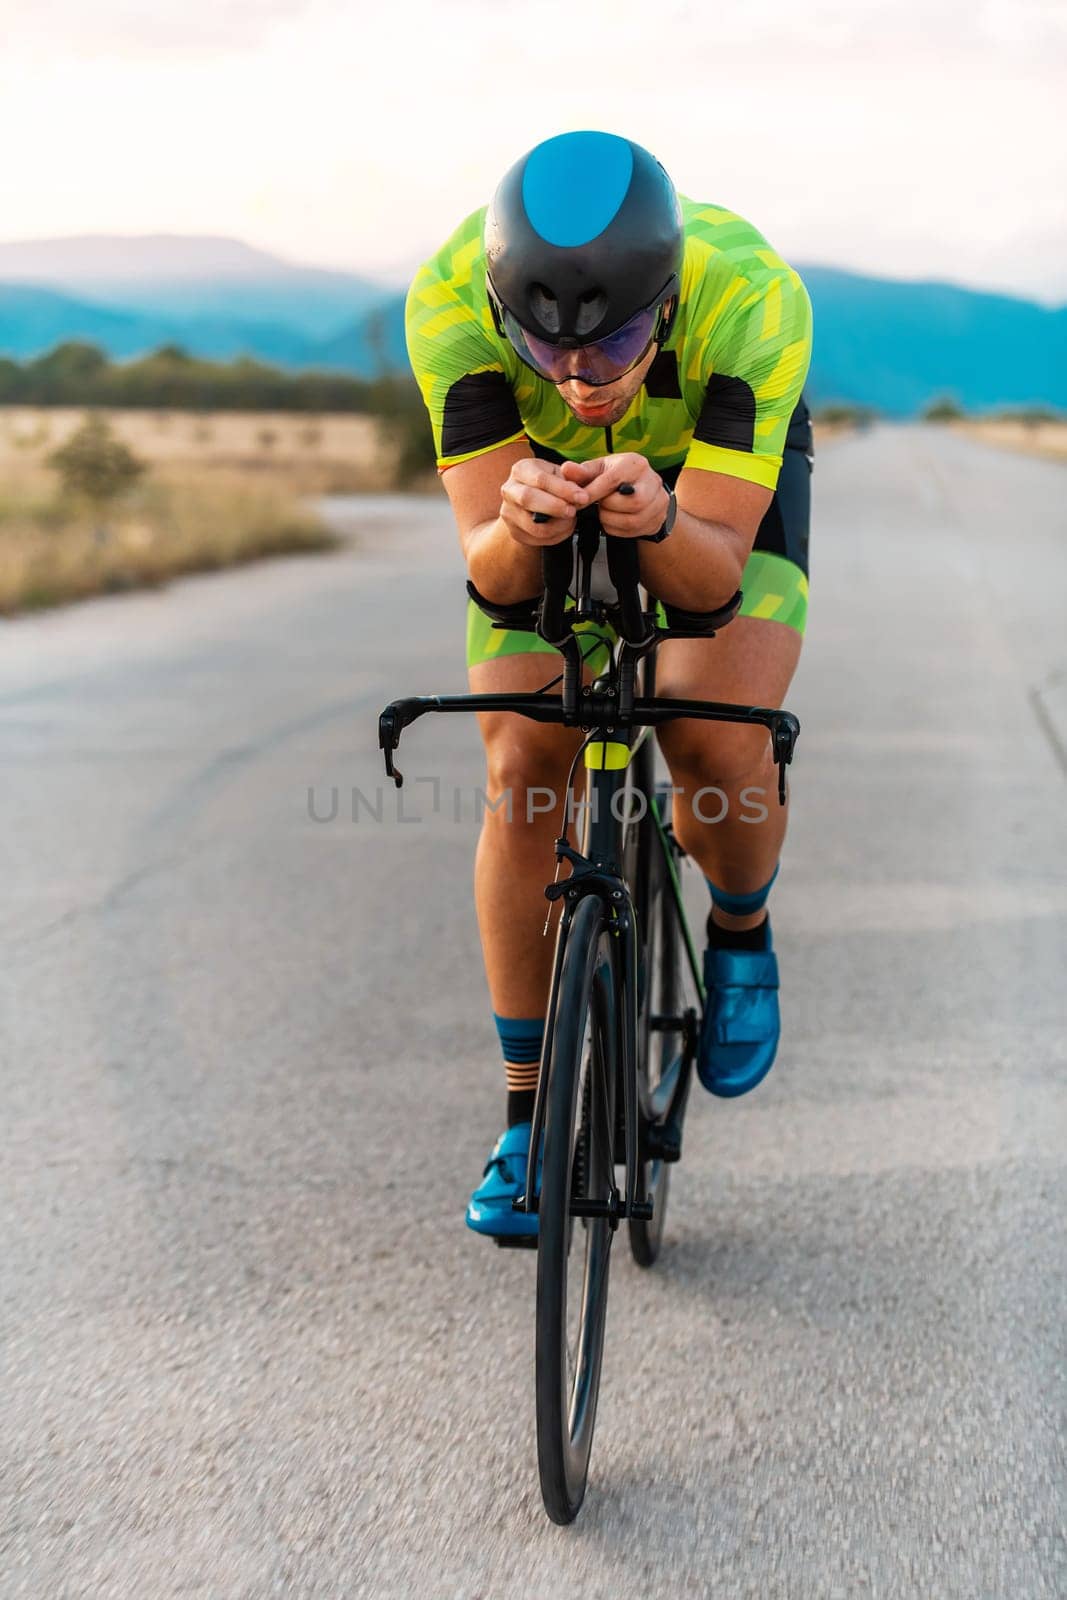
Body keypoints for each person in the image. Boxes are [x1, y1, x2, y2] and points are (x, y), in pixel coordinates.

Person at [405, 130, 813, 1238]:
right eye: (545, 351)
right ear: (501, 307)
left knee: (708, 733)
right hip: (530, 496)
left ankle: (738, 922)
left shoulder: (751, 301)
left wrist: (666, 517)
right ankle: (527, 1121)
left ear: (668, 303)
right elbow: (487, 568)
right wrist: (519, 525)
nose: (580, 378)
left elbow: (716, 576)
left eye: (617, 341)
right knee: (521, 765)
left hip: (710, 494)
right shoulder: (448, 302)